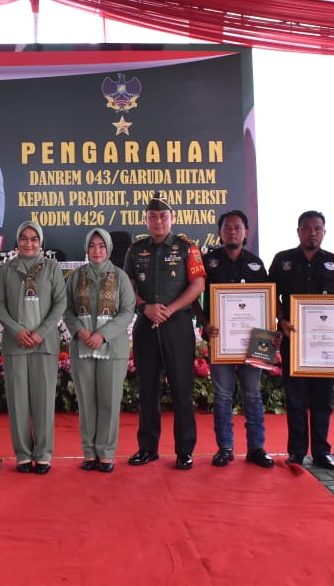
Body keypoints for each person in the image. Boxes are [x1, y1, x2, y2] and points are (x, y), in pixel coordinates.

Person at [123, 191, 206, 470]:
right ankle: (148, 448)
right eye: (152, 216)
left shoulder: (187, 248)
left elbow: (198, 285)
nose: (158, 221)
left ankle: (184, 450)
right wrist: (144, 306)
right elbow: (128, 285)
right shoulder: (135, 250)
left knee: (182, 388)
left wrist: (169, 309)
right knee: (147, 389)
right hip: (146, 324)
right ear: (145, 220)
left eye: (162, 216)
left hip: (177, 325)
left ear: (172, 218)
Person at [269, 210, 334, 470]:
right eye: (307, 228)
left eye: (318, 229)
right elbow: (270, 295)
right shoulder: (283, 260)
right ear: (299, 232)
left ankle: (321, 451)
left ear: (324, 232)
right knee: (295, 400)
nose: (312, 233)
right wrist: (281, 319)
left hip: (326, 344)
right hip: (293, 340)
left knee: (323, 400)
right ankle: (296, 452)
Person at [200, 210, 273, 469]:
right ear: (219, 233)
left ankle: (256, 448)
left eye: (237, 227)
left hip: (256, 339)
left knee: (252, 394)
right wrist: (204, 323)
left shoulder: (257, 264)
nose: (232, 232)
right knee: (222, 395)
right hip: (220, 339)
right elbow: (194, 295)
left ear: (246, 232)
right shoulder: (208, 262)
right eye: (227, 227)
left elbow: (267, 301)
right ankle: (225, 448)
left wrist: (269, 337)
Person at [0, 221, 67, 474]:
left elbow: (60, 303)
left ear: (40, 242)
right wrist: (17, 331)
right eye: (24, 238)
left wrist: (40, 332)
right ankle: (23, 454)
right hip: (16, 344)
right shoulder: (6, 269)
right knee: (18, 402)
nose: (29, 243)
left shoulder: (52, 268)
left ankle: (44, 454)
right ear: (17, 241)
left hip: (44, 344)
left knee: (44, 401)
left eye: (34, 239)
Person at [63, 228, 136, 472]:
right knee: (87, 403)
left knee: (109, 402)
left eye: (101, 246)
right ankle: (89, 452)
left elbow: (127, 311)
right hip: (82, 347)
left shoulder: (120, 277)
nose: (97, 250)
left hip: (112, 349)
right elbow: (67, 309)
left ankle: (105, 453)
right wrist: (81, 332)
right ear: (86, 248)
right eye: (92, 246)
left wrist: (102, 334)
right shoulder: (76, 276)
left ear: (109, 249)